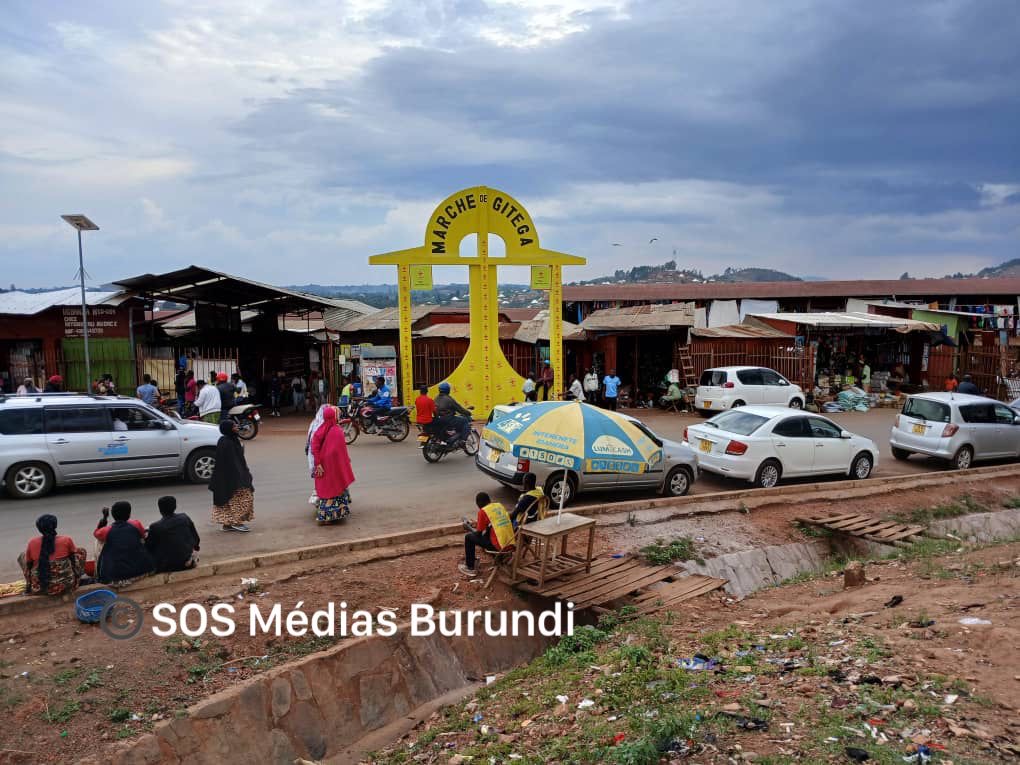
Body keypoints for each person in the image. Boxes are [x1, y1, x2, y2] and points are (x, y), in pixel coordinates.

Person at [18, 515, 86, 596]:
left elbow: (28, 567)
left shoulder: (32, 543)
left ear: (39, 529)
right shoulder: (66, 540)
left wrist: (28, 588)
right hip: (67, 586)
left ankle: (30, 585)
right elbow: (74, 562)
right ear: (55, 526)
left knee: (23, 557)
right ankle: (78, 578)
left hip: (40, 589)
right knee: (81, 551)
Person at [311, 406, 356, 524]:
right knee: (336, 489)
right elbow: (341, 451)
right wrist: (345, 461)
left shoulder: (319, 430)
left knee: (326, 491)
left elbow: (314, 447)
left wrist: (318, 463)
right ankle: (333, 517)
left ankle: (326, 518)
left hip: (323, 466)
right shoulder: (337, 430)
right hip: (334, 467)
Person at [210, 419, 254, 532]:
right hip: (232, 478)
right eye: (233, 426)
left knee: (229, 501)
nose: (236, 428)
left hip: (231, 477)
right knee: (241, 499)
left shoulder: (230, 440)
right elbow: (232, 463)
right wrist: (242, 477)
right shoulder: (227, 442)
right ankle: (236, 523)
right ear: (228, 429)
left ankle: (228, 524)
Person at [96, 501, 155, 585]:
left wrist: (105, 518)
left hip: (116, 580)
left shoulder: (106, 530)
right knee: (142, 536)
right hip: (142, 572)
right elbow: (144, 537)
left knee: (99, 542)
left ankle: (98, 574)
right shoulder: (136, 524)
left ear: (113, 515)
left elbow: (96, 533)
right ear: (129, 514)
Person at [459, 492, 515, 578]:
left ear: (479, 503)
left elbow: (478, 535)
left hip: (499, 547)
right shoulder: (499, 506)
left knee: (469, 537)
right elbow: (493, 523)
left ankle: (470, 567)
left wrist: (468, 528)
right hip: (510, 544)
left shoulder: (483, 511)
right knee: (487, 532)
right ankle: (500, 557)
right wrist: (477, 524)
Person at [146, 496, 200, 572]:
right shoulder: (184, 517)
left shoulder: (155, 526)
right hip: (187, 562)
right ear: (175, 506)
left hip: (167, 566)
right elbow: (196, 539)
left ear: (160, 509)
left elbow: (148, 547)